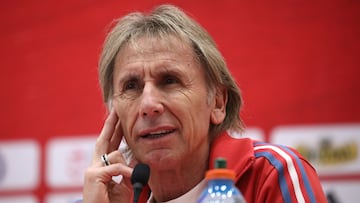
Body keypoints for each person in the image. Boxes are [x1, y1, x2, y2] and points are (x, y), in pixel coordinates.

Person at [83, 4, 327, 203]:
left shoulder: (271, 175)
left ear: (218, 103)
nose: (148, 104)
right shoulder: (104, 197)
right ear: (114, 115)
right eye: (131, 86)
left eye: (170, 80)